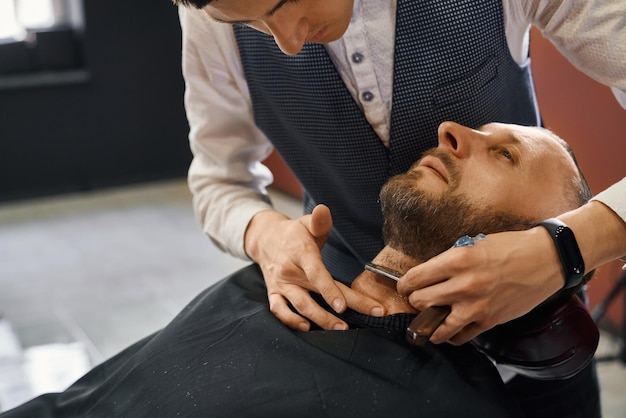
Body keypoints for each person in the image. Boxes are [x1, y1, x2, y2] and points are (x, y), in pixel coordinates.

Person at [0, 122, 600, 418]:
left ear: (529, 253)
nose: (451, 129)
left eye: (504, 154)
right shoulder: (270, 286)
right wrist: (261, 233)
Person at [174, 0, 626, 346]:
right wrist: (262, 234)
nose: (288, 43)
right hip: (354, 333)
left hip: (533, 333)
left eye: (286, 1)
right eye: (248, 22)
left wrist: (566, 247)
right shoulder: (215, 13)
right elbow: (219, 179)